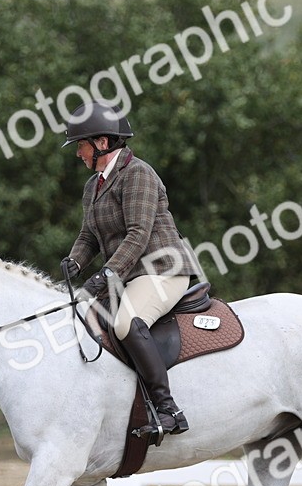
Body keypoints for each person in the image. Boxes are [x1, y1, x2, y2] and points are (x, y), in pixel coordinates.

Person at [60, 101, 198, 438]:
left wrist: (105, 275)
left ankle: (168, 410)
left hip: (162, 270)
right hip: (128, 274)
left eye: (81, 145)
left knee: (126, 323)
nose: (79, 154)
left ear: (102, 143)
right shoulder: (93, 186)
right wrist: (75, 261)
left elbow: (138, 234)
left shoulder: (138, 174)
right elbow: (88, 234)